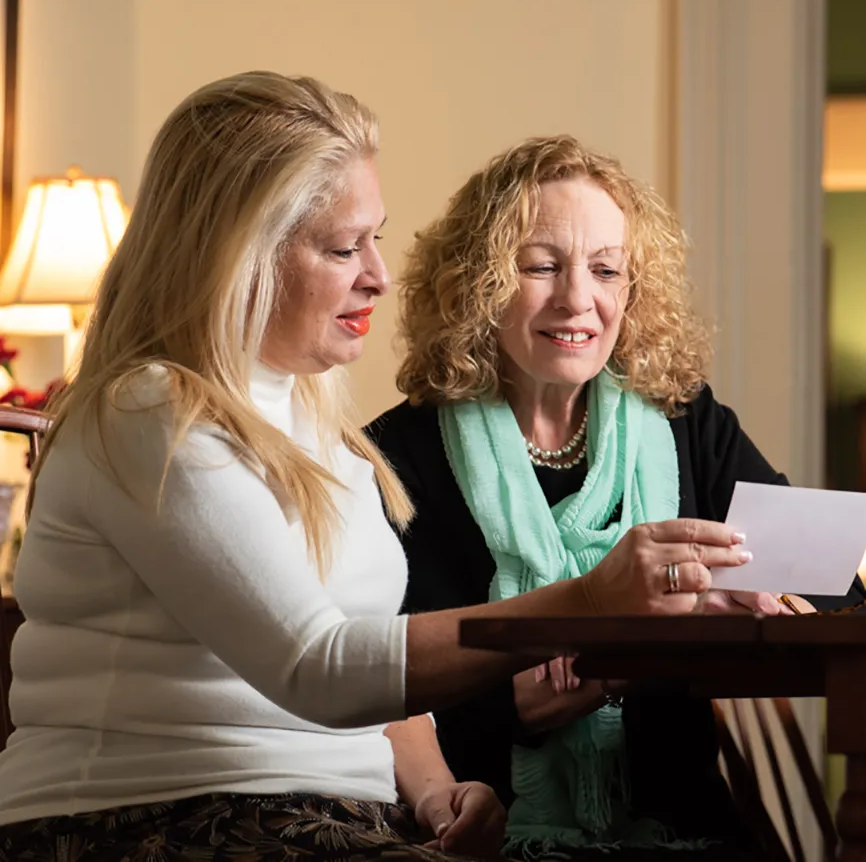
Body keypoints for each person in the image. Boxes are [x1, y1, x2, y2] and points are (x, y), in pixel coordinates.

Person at [0, 75, 756, 862]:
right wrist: (592, 599)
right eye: (341, 247)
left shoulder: (316, 424)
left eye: (375, 239)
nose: (378, 276)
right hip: (165, 820)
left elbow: (373, 663)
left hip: (335, 820)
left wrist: (435, 793)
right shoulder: (151, 411)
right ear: (241, 253)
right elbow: (321, 667)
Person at [368, 135, 866, 861]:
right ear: (476, 283)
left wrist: (735, 607)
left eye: (607, 269)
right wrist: (549, 686)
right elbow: (374, 682)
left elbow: (830, 584)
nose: (579, 299)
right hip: (483, 832)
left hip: (687, 828)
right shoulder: (392, 457)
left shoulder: (687, 421)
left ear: (635, 289)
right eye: (540, 266)